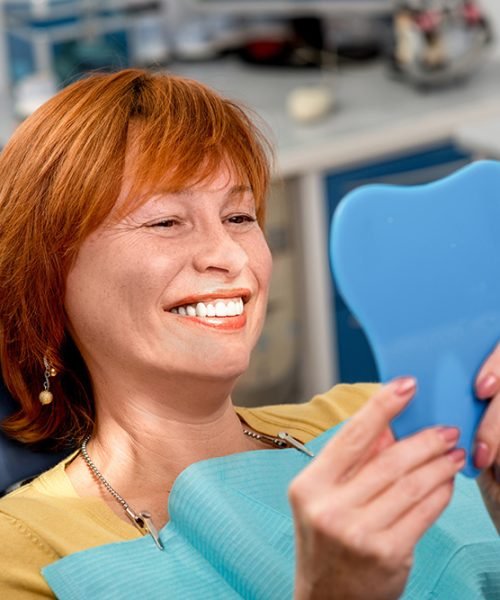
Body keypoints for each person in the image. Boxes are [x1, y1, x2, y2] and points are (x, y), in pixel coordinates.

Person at [0, 68, 498, 599]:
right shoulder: (25, 552)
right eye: (166, 221)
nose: (231, 256)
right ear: (49, 284)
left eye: (239, 217)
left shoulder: (387, 417)